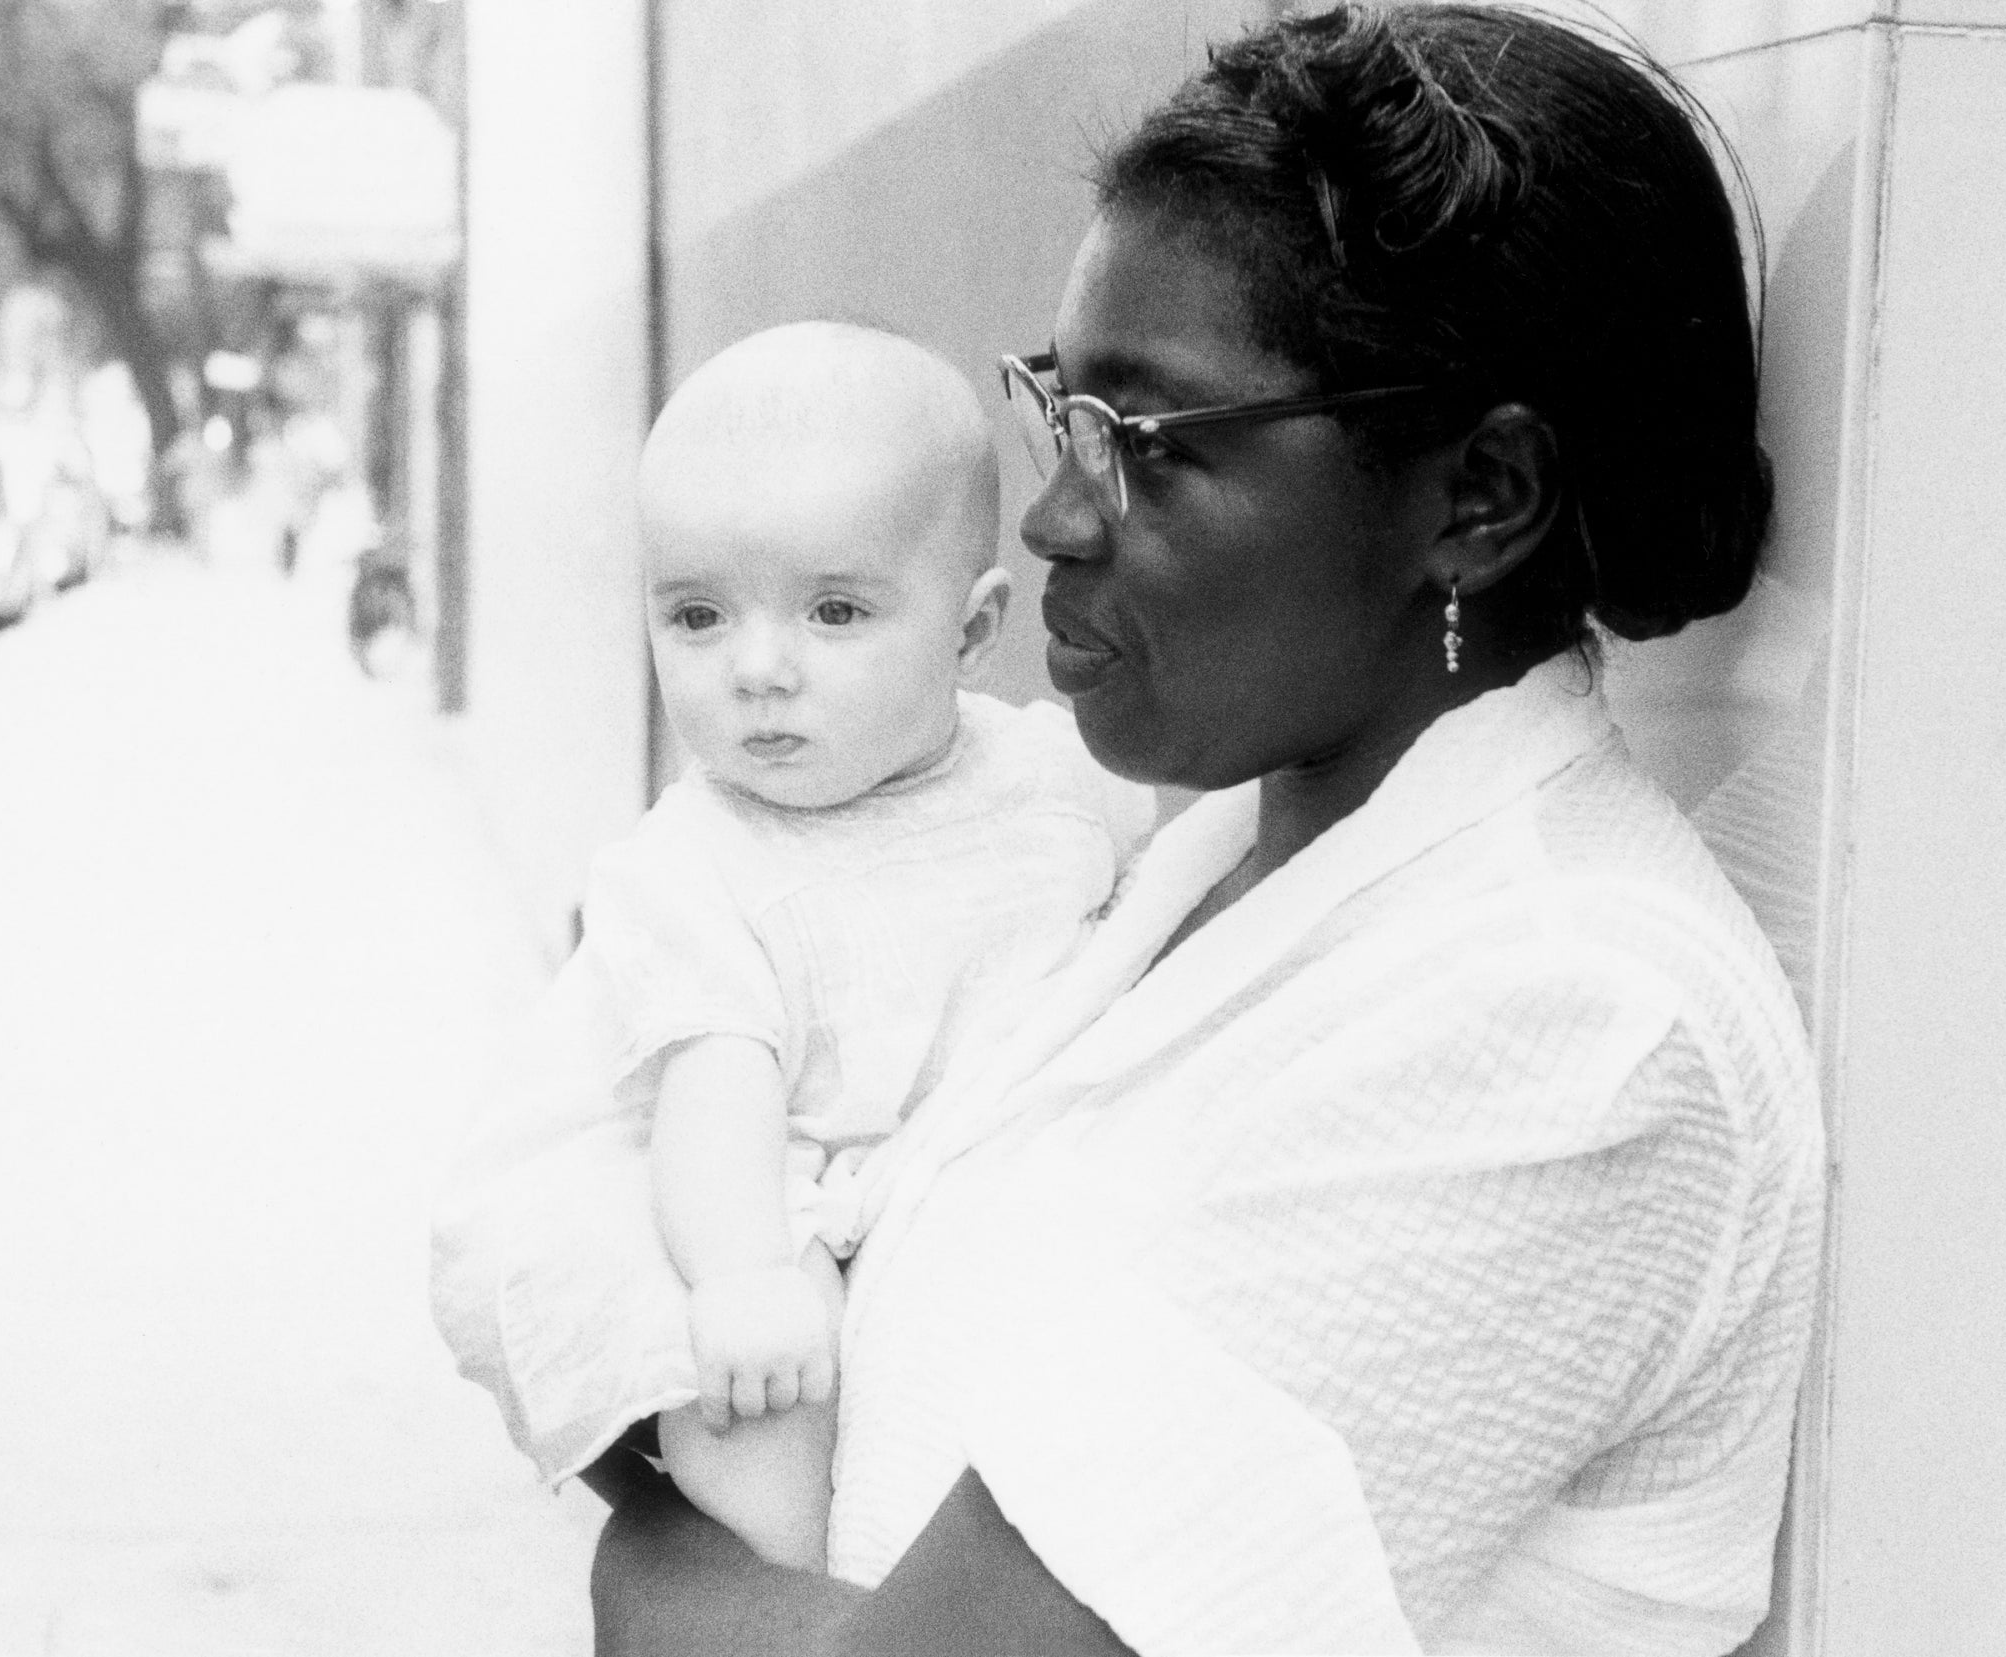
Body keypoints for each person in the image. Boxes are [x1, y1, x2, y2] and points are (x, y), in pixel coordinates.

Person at [466, 6, 1826, 1653]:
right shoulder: (1185, 858)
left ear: (1478, 500)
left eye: (1146, 444)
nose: (1046, 517)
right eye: (1060, 408)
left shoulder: (1579, 1033)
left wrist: (642, 1536)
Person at [429, 322, 1155, 1572]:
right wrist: (743, 1273)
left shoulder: (1049, 777)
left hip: (987, 1163)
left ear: (973, 632)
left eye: (833, 612)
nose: (758, 670)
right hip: (785, 1192)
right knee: (761, 1397)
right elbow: (718, 1090)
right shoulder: (695, 865)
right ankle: (797, 1587)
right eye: (698, 616)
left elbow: (1143, 908)